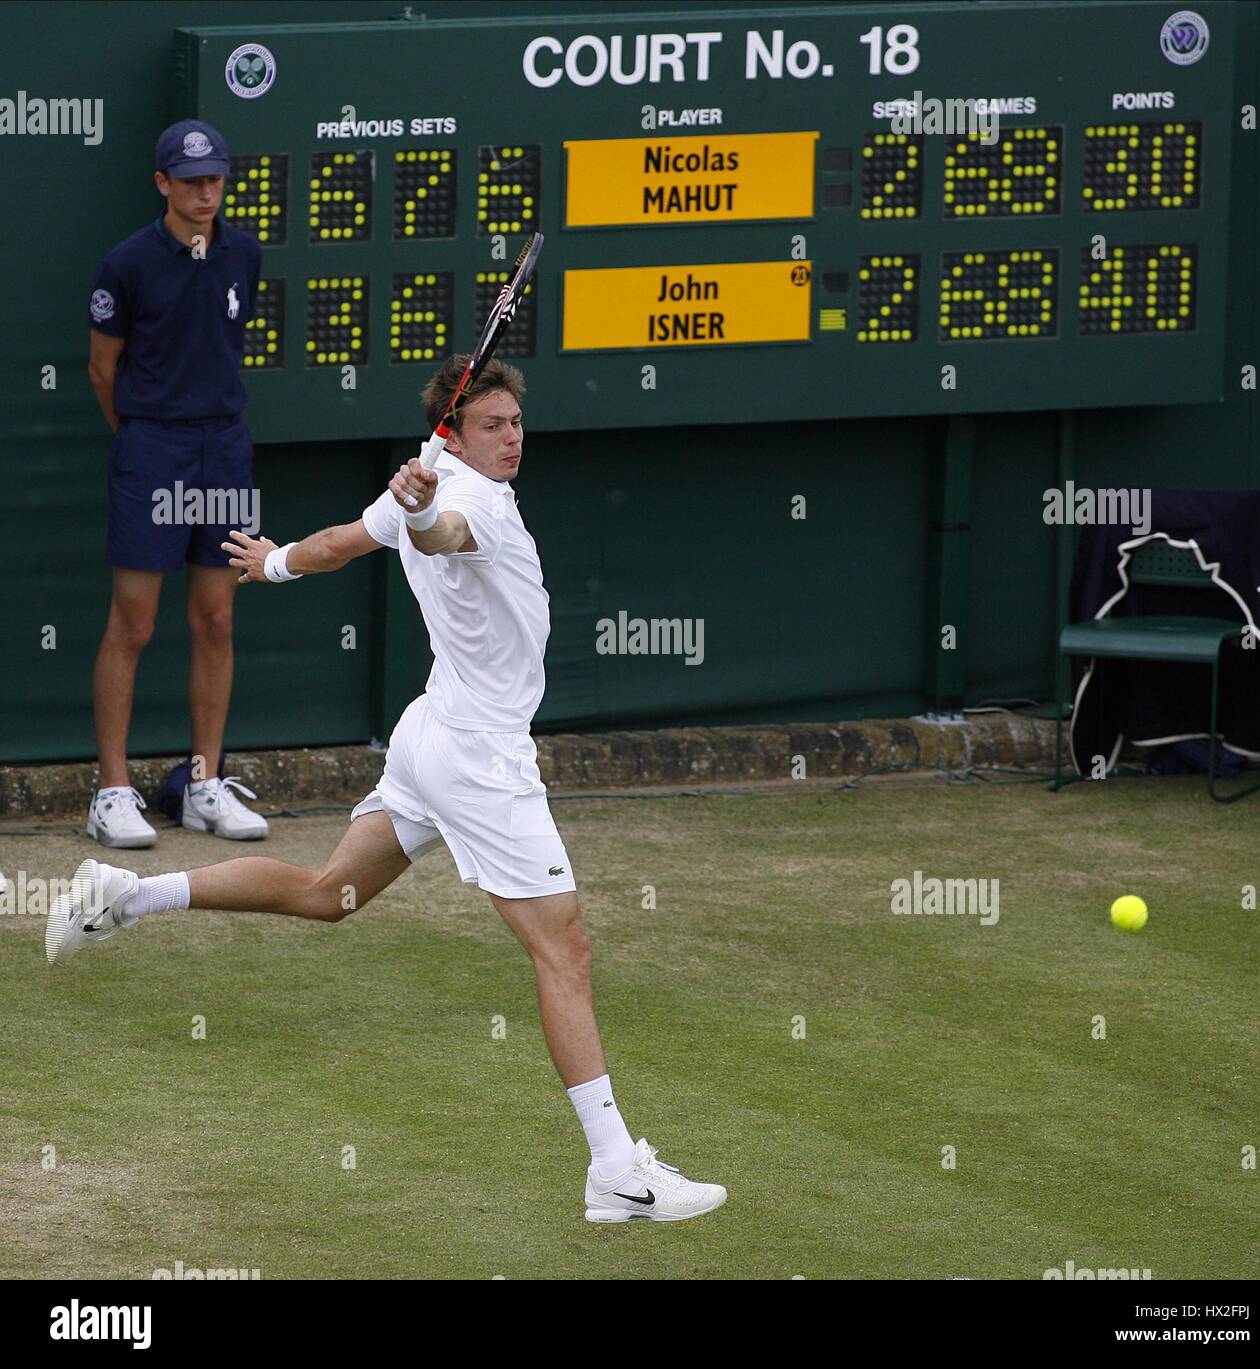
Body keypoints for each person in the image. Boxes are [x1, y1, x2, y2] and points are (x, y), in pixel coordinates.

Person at [46, 356, 727, 1224]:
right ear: (455, 430)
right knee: (567, 952)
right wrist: (423, 513)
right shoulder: (462, 502)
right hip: (480, 761)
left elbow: (342, 543)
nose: (512, 436)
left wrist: (278, 561)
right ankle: (615, 1170)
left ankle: (127, 896)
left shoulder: (432, 472)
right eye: (492, 424)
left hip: (429, 736)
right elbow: (446, 534)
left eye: (516, 421)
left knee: (331, 894)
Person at [86, 118, 268, 850]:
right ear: (162, 183)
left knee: (217, 618)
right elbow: (104, 369)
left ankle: (202, 785)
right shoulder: (125, 264)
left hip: (223, 448)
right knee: (134, 622)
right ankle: (111, 792)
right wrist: (140, 437)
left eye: (214, 180)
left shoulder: (244, 254)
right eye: (190, 180)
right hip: (151, 447)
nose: (204, 192)